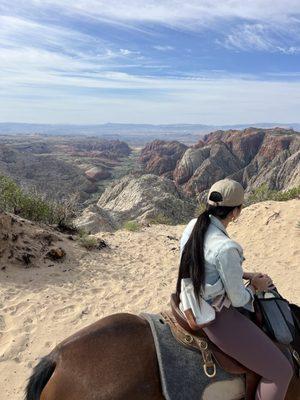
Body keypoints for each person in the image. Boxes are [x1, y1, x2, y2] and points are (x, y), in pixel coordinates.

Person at [176, 178, 294, 400]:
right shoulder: (226, 247)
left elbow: (207, 266)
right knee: (281, 371)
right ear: (236, 212)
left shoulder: (194, 225)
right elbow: (239, 299)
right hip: (215, 315)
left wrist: (244, 274)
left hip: (188, 295)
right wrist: (256, 287)